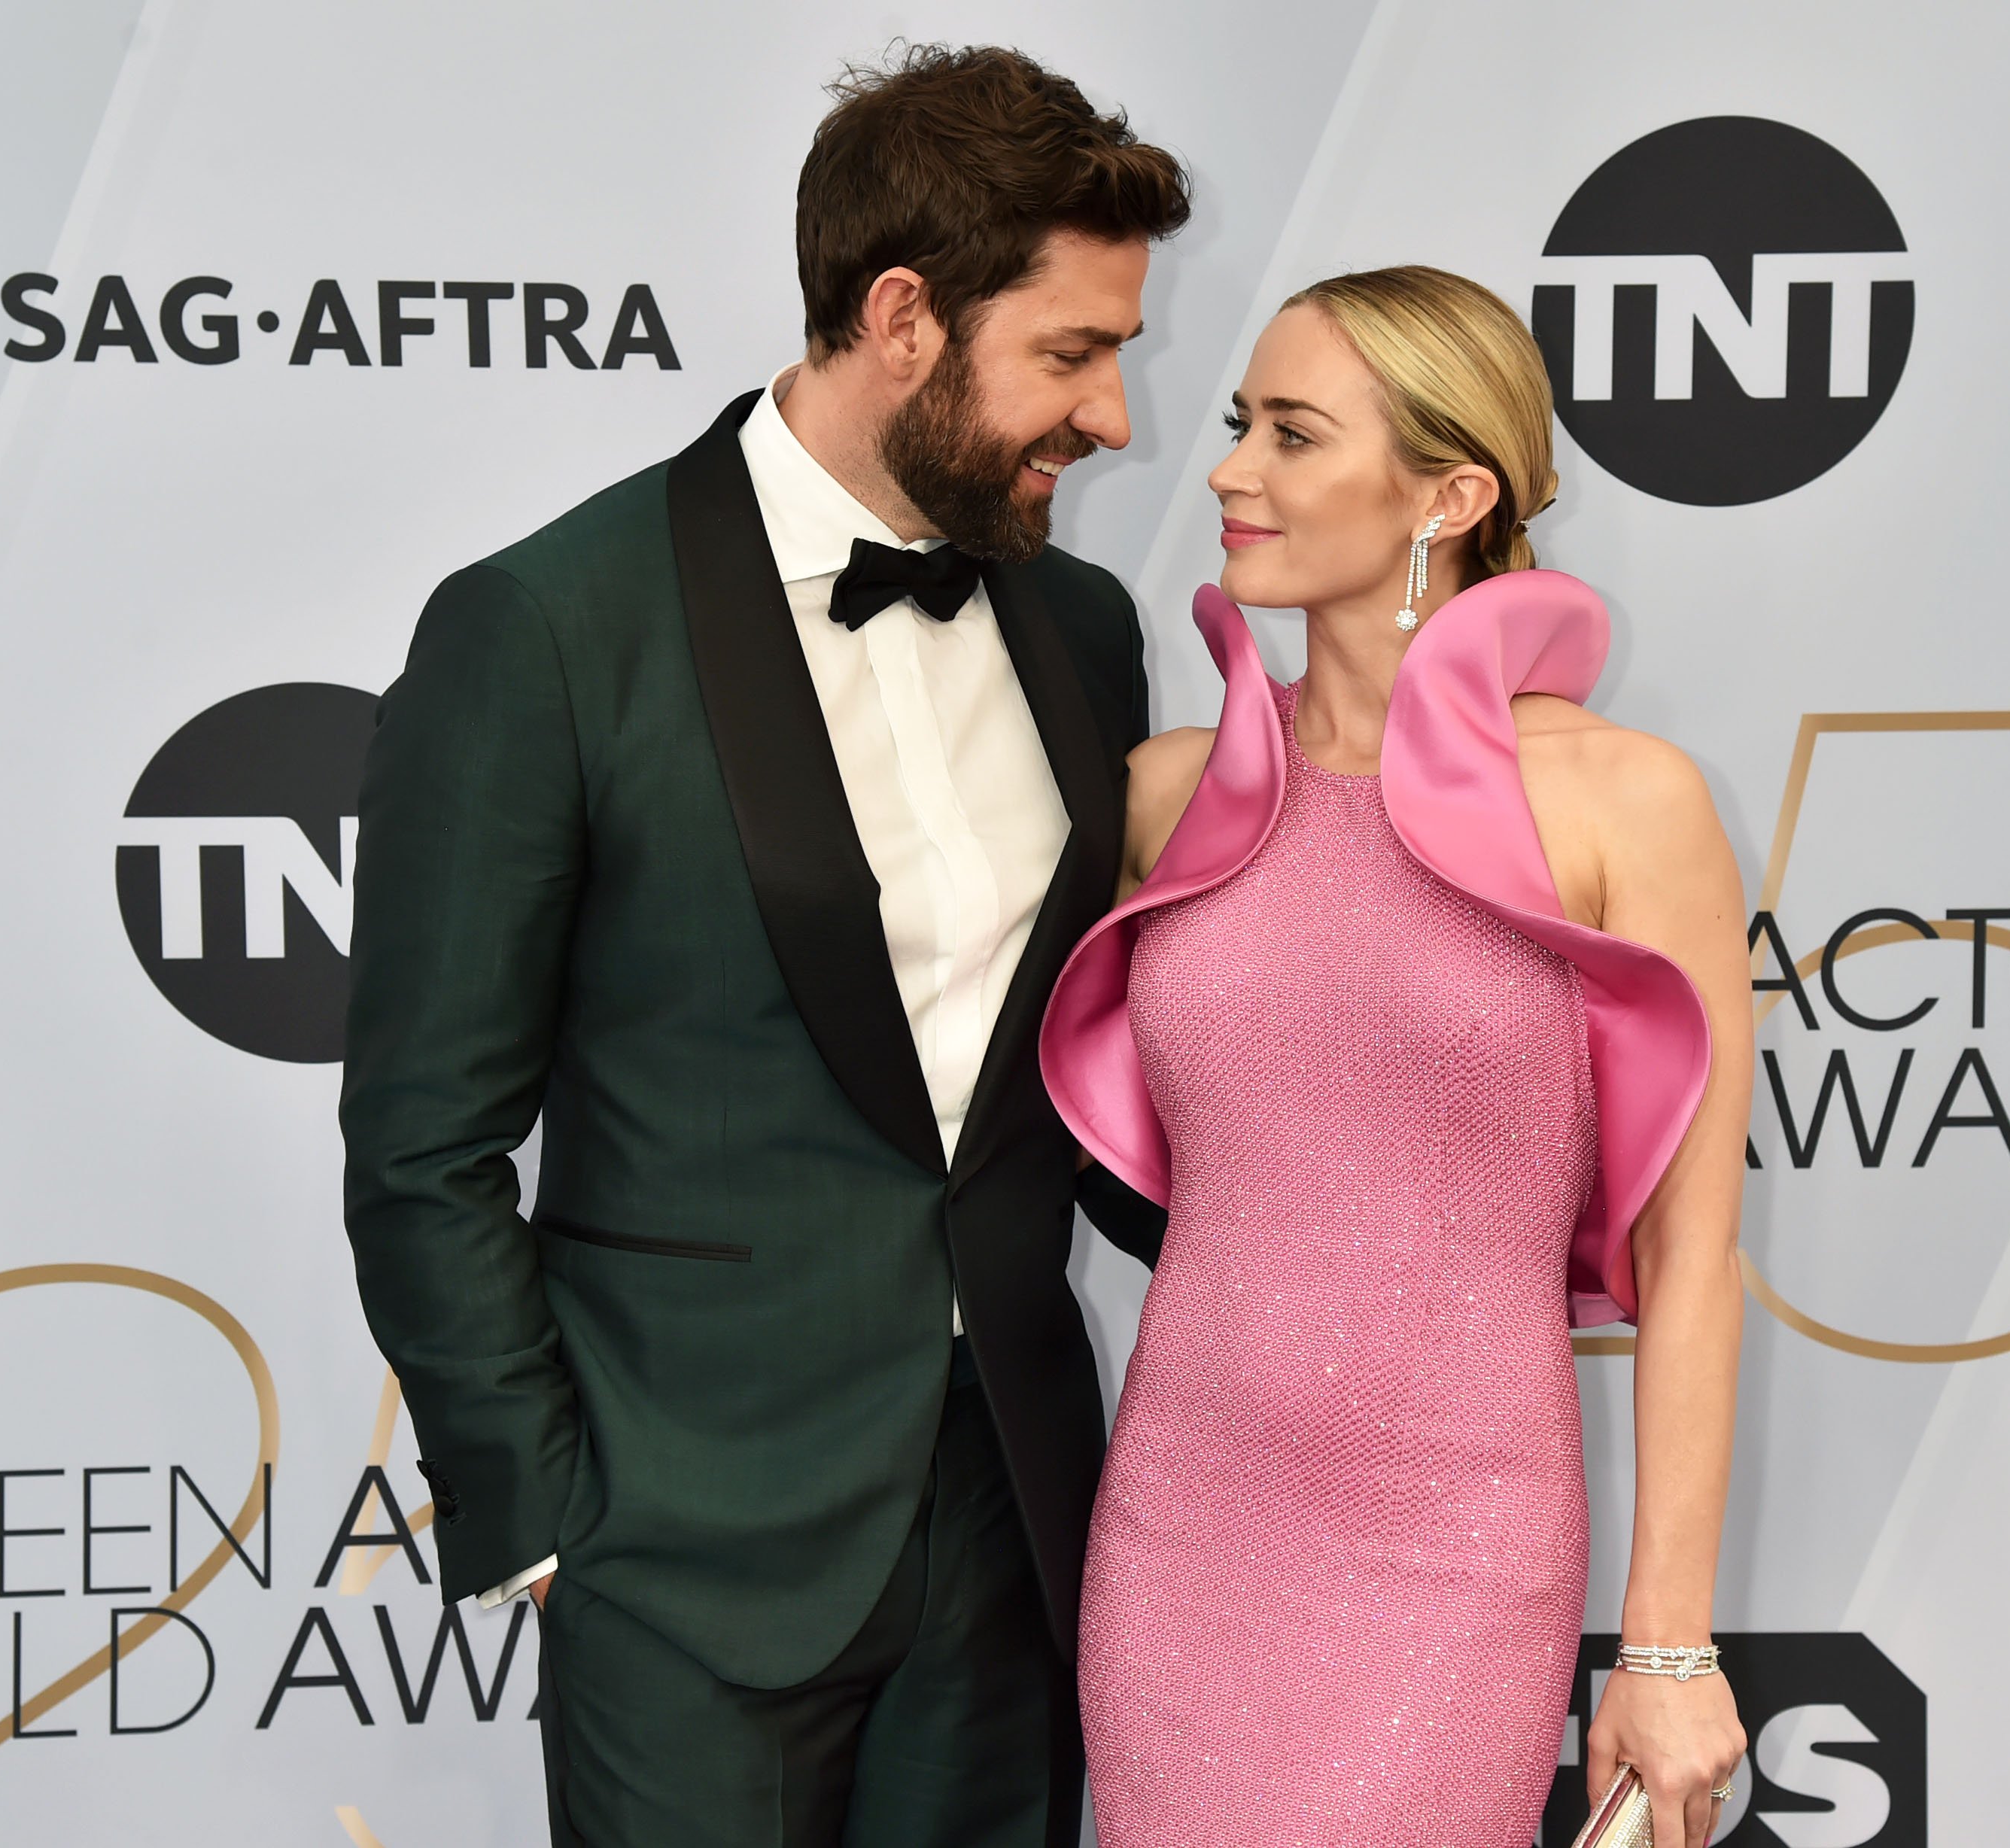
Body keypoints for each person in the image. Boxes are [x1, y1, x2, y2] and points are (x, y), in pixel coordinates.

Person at [339, 47, 1186, 1848]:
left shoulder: (1086, 627)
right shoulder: (550, 628)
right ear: (902, 317)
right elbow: (423, 1142)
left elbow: (1103, 1071)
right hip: (684, 1550)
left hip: (1016, 1524)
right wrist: (556, 1526)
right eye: (1072, 353)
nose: (1116, 415)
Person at [1041, 267, 1753, 1848]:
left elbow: (1692, 1255)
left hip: (1452, 1550)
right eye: (1242, 427)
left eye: (1293, 435)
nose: (1228, 470)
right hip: (1180, 1534)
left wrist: (1665, 1642)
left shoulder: (1628, 802)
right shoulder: (1170, 793)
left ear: (1453, 493)